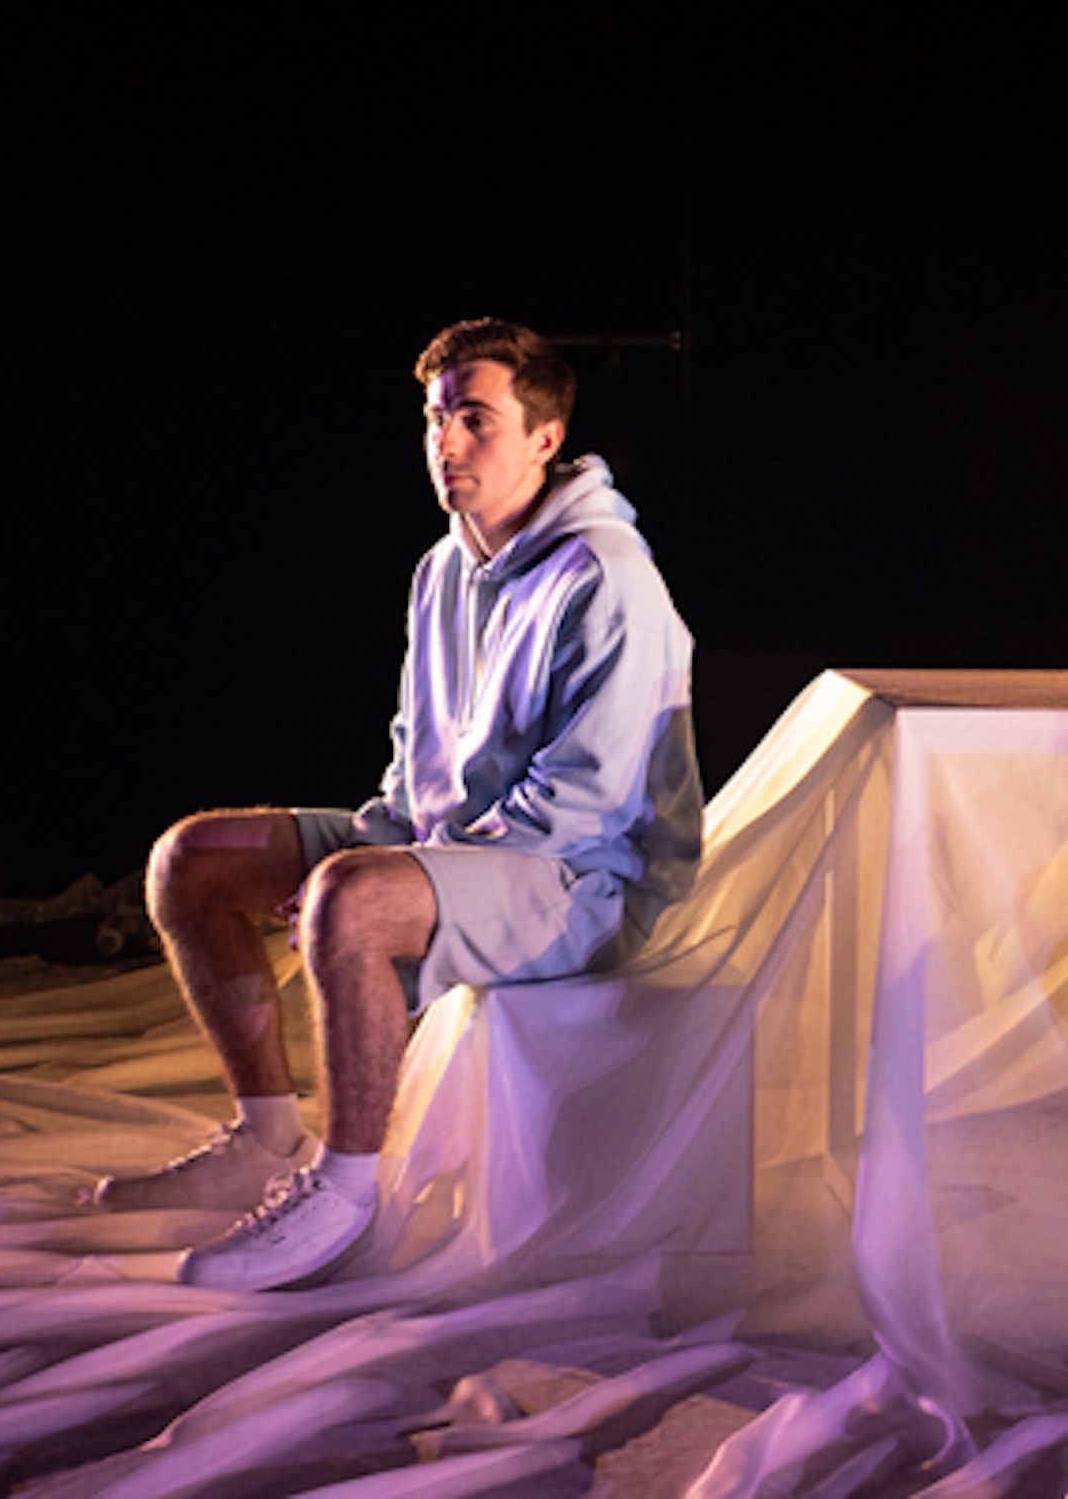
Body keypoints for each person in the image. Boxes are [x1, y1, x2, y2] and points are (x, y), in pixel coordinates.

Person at [95, 318, 703, 1291]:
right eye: (435, 417)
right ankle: (262, 1135)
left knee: (354, 898)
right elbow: (415, 762)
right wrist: (388, 848)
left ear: (545, 438)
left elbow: (583, 808)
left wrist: (393, 880)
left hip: (591, 881)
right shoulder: (442, 568)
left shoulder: (605, 576)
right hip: (466, 847)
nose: (447, 443)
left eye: (475, 418)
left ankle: (345, 1197)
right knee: (189, 862)